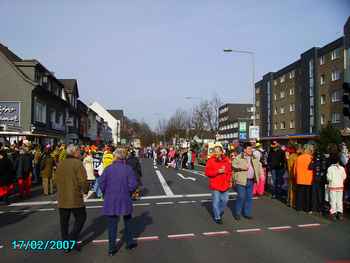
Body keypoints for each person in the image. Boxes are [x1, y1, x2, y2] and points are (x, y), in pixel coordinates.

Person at [100, 148, 138, 256]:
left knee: (112, 225)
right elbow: (133, 184)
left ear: (115, 157)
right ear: (124, 157)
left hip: (111, 199)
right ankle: (129, 242)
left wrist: (105, 192)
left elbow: (101, 183)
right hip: (124, 197)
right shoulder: (128, 169)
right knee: (128, 221)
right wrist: (129, 191)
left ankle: (112, 248)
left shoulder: (108, 169)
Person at [55, 144, 89, 252]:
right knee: (81, 218)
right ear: (75, 152)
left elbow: (55, 179)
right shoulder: (78, 163)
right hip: (75, 197)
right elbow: (83, 180)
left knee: (64, 222)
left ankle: (66, 244)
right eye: (79, 151)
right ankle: (72, 239)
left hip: (62, 196)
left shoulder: (61, 163)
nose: (80, 152)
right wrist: (85, 190)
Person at [232, 142, 261, 220]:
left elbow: (259, 165)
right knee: (241, 196)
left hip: (251, 180)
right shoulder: (239, 156)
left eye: (251, 148)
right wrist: (241, 167)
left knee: (249, 197)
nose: (250, 150)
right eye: (249, 149)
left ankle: (247, 213)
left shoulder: (254, 157)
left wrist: (260, 175)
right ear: (244, 150)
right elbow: (233, 164)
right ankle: (237, 213)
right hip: (241, 180)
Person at [205, 144, 232, 224]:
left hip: (225, 184)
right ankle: (217, 217)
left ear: (221, 152)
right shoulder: (210, 160)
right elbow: (207, 173)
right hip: (215, 184)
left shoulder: (226, 160)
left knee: (225, 200)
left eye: (218, 151)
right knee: (216, 202)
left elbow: (229, 171)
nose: (216, 153)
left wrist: (230, 181)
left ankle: (218, 212)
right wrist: (217, 171)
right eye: (215, 151)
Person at [294, 144, 314, 213]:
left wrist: (295, 176)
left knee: (299, 194)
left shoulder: (299, 158)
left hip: (299, 179)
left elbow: (294, 169)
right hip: (309, 179)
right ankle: (307, 209)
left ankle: (299, 208)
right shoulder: (311, 158)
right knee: (308, 195)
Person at [327, 156, 347, 221]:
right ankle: (340, 214)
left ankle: (333, 214)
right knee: (339, 200)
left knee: (333, 200)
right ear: (338, 161)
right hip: (340, 186)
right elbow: (344, 177)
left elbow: (329, 178)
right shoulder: (342, 168)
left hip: (333, 186)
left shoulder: (330, 168)